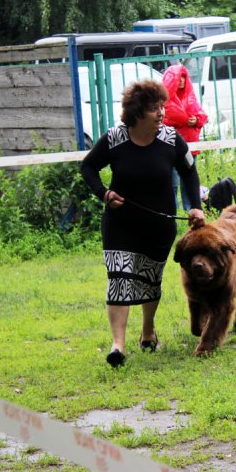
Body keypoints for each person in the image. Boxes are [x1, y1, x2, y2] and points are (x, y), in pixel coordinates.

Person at [81, 80, 206, 367]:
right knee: (119, 278)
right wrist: (104, 193)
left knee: (150, 281)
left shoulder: (172, 140)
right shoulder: (114, 139)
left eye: (161, 106)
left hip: (158, 226)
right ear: (137, 113)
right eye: (153, 108)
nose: (161, 112)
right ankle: (118, 346)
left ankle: (147, 330)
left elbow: (189, 172)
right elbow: (87, 167)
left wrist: (195, 207)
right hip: (120, 224)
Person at [162, 64, 208, 211]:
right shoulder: (165, 100)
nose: (181, 80)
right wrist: (186, 119)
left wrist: (196, 120)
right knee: (172, 181)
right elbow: (167, 115)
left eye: (183, 77)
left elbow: (201, 113)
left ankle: (191, 211)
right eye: (178, 77)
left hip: (190, 146)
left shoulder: (189, 96)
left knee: (189, 180)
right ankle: (172, 211)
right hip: (171, 148)